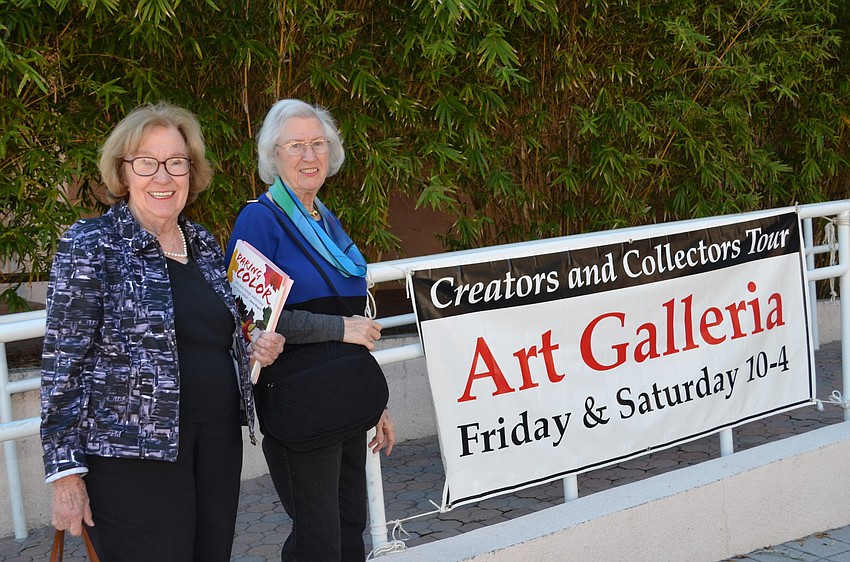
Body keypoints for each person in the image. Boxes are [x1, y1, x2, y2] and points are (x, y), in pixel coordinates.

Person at [40, 102, 285, 562]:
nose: (163, 177)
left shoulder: (204, 243)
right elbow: (62, 366)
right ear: (123, 173)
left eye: (176, 162)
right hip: (134, 459)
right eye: (146, 163)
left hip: (216, 444)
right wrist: (65, 473)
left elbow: (208, 335)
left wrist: (253, 346)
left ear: (191, 173)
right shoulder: (92, 244)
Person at [225, 98, 395, 562]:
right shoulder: (258, 220)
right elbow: (251, 320)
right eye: (296, 145)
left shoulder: (326, 221)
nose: (309, 155)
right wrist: (341, 329)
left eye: (318, 144)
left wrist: (372, 401)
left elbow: (355, 320)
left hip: (341, 394)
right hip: (298, 399)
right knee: (318, 538)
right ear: (273, 156)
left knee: (349, 527)